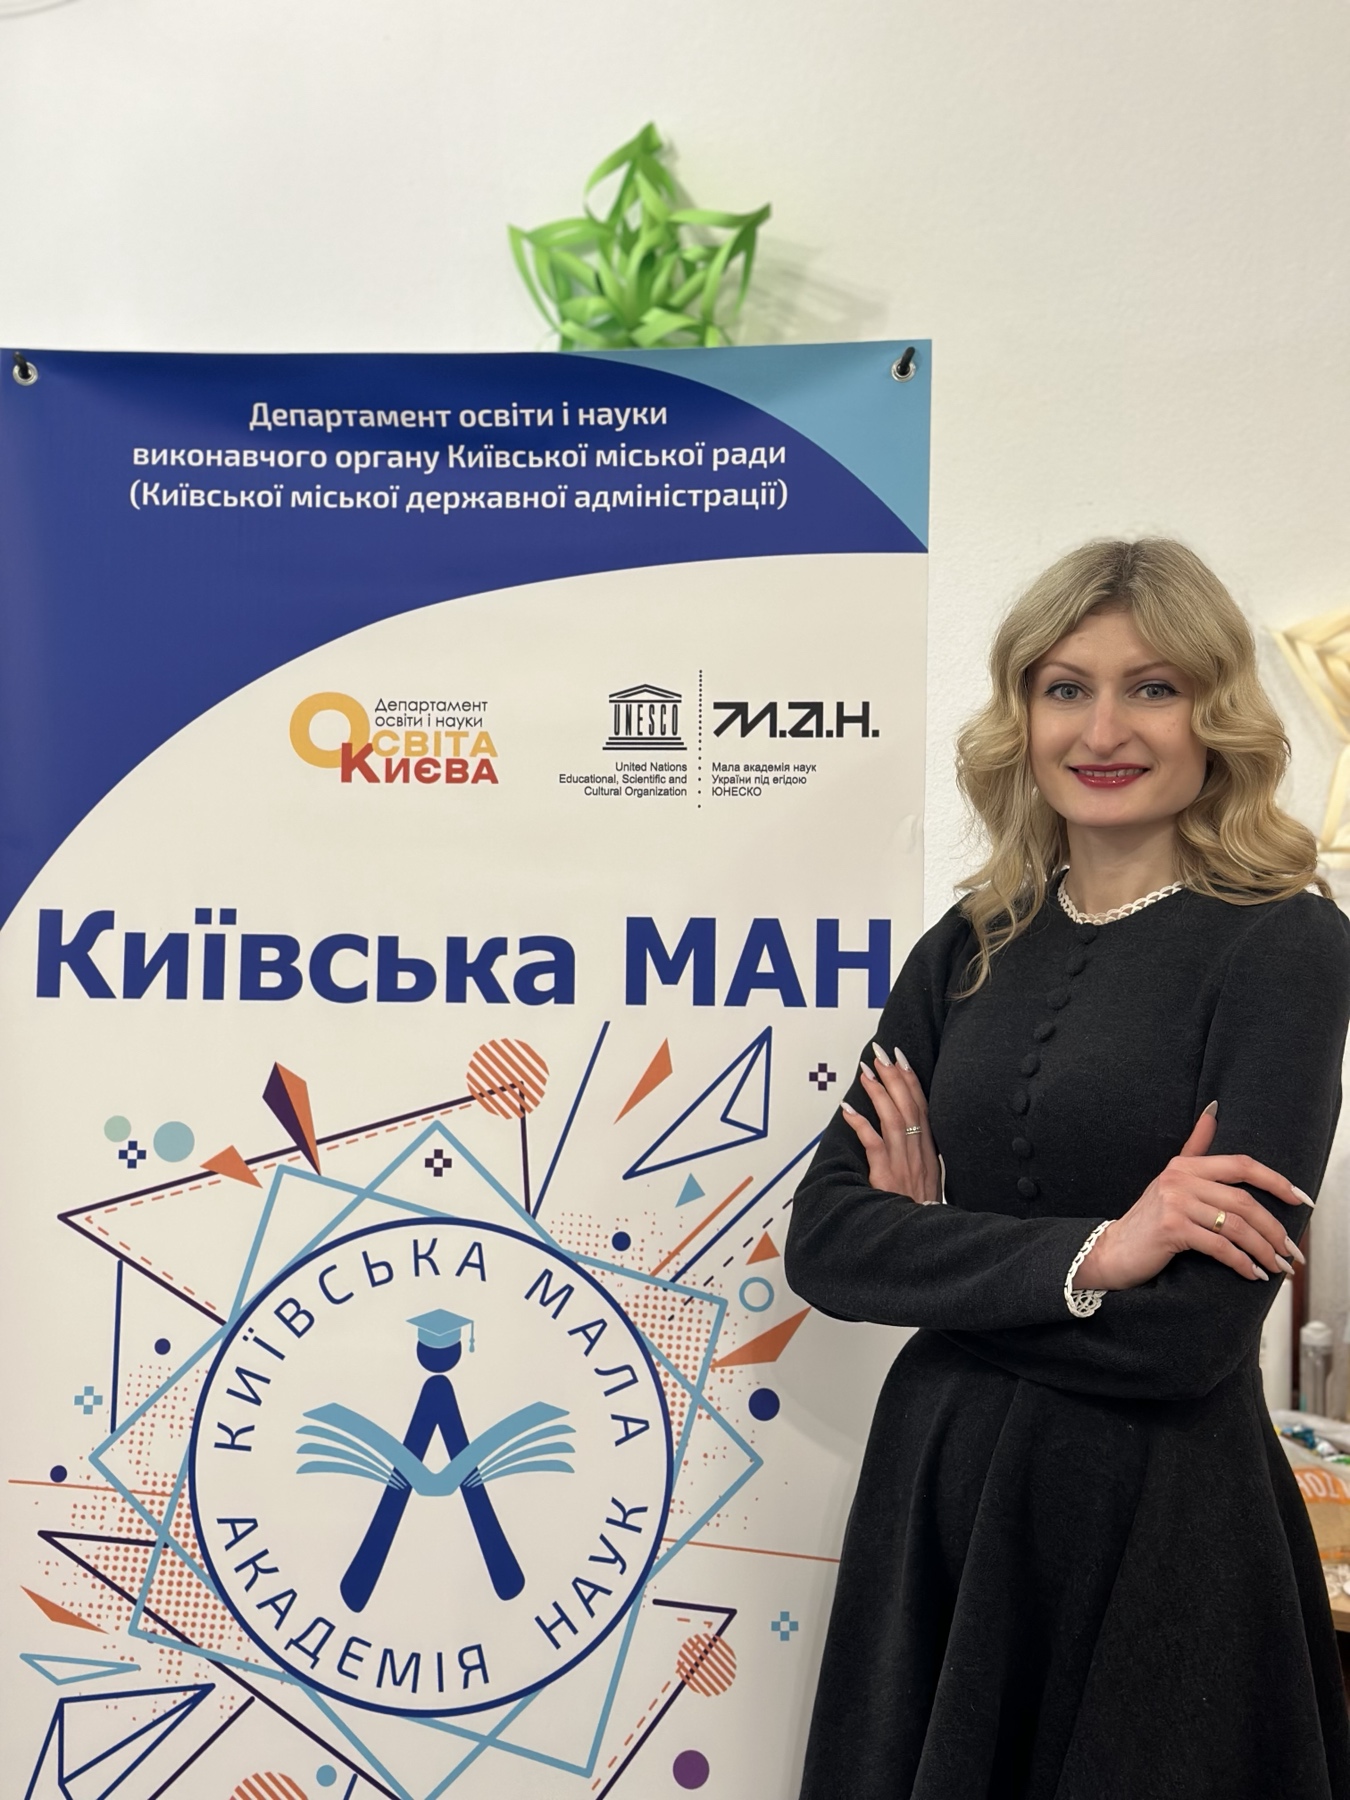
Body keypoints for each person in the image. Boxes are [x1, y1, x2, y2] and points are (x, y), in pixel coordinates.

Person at [785, 538, 1350, 1800]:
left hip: (1155, 1522)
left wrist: (933, 1260)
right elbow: (824, 1243)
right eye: (1064, 688)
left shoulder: (1287, 946)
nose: (1102, 730)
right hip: (938, 1498)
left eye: (1152, 688)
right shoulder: (970, 941)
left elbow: (1190, 1339)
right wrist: (1106, 1251)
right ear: (1021, 715)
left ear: (1215, 712)